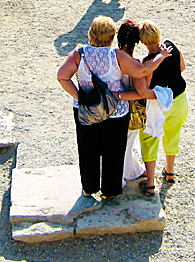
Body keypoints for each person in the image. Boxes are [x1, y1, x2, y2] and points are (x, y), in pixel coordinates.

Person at [57, 16, 171, 198]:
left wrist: (81, 96)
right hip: (115, 111)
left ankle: (89, 187)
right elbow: (142, 70)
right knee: (113, 152)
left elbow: (62, 76)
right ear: (111, 36)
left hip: (86, 110)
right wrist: (160, 57)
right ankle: (110, 190)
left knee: (87, 150)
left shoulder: (79, 54)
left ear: (90, 34)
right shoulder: (116, 56)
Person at [137, 20, 188, 197]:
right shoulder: (171, 46)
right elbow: (182, 67)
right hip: (180, 99)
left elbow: (147, 88)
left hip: (158, 105)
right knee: (173, 134)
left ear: (143, 42)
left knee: (149, 139)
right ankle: (170, 170)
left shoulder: (148, 62)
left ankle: (150, 183)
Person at [116, 20, 157, 185]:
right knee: (127, 143)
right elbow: (142, 89)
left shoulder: (114, 57)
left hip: (111, 106)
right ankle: (125, 174)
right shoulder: (136, 64)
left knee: (122, 143)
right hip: (129, 109)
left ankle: (133, 170)